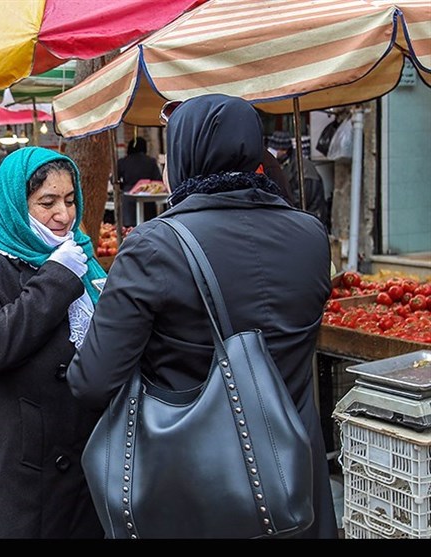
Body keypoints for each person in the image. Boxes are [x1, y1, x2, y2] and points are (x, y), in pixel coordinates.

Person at [67, 94, 338, 539]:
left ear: (185, 152)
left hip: (201, 487)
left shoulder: (154, 245)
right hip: (291, 483)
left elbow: (92, 381)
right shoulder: (311, 235)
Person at [0, 146, 107, 539]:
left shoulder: (82, 258)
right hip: (26, 461)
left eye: (70, 200)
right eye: (47, 203)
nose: (64, 215)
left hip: (86, 451)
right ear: (17, 204)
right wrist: (57, 277)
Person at [268, 130, 329, 228]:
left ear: (284, 150)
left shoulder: (303, 168)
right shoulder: (281, 164)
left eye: (274, 150)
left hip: (310, 220)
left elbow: (301, 198)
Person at [116, 136, 163, 226]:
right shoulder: (151, 162)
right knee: (148, 227)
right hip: (148, 199)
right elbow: (158, 180)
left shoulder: (122, 162)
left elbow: (114, 180)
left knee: (129, 229)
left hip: (128, 198)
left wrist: (124, 186)